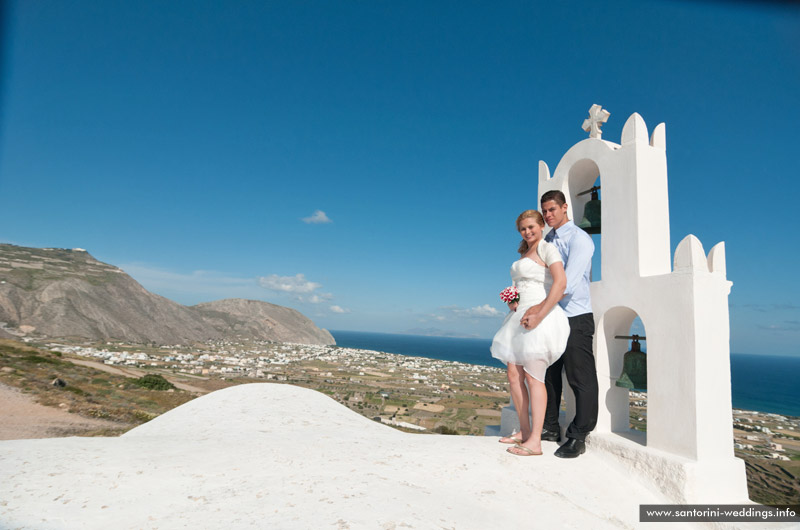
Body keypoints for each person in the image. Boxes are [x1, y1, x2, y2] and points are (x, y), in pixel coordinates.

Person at [521, 190, 597, 458]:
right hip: (551, 316)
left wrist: (539, 310)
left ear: (565, 207)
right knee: (548, 376)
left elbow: (568, 284)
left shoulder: (581, 240)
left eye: (553, 209)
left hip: (575, 316)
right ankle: (550, 427)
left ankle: (579, 436)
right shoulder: (547, 240)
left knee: (580, 378)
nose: (548, 214)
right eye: (545, 211)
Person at [490, 210, 570, 456]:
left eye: (531, 227)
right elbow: (519, 284)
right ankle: (524, 431)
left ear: (541, 226)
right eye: (523, 229)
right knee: (514, 374)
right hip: (519, 315)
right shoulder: (523, 253)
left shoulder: (548, 249)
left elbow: (560, 283)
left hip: (539, 315)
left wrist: (540, 313)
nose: (528, 232)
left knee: (535, 377)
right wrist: (512, 300)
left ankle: (535, 441)